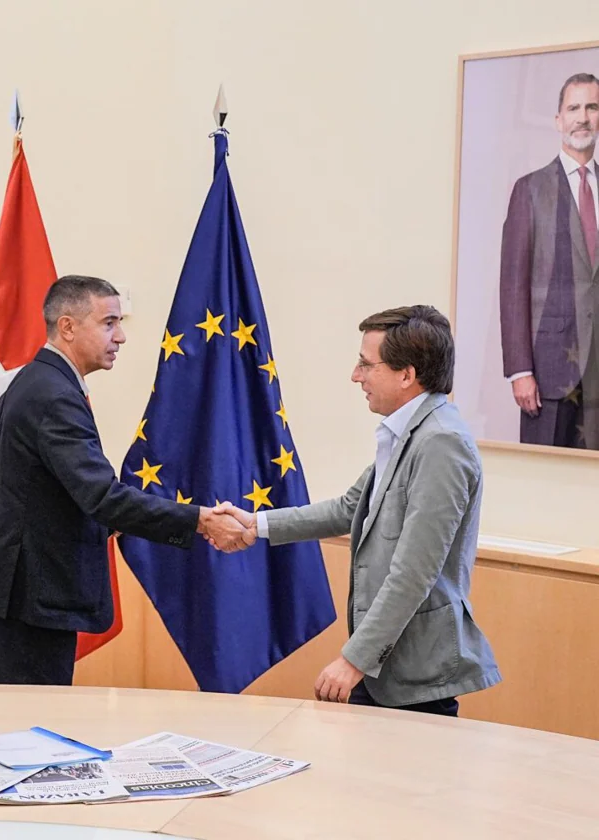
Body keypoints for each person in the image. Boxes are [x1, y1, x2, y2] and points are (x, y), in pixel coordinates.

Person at [0, 275, 244, 686]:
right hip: (31, 593)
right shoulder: (54, 395)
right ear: (69, 327)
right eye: (109, 323)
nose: (121, 336)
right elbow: (101, 497)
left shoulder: (38, 382)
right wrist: (200, 519)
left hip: (17, 587)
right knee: (28, 727)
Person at [214, 306, 500, 716]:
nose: (355, 376)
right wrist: (255, 525)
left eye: (366, 365)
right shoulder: (409, 433)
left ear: (407, 374)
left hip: (414, 674)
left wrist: (354, 660)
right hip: (385, 667)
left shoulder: (441, 443)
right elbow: (351, 508)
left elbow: (414, 572)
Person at [499, 72, 599, 449]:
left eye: (592, 107)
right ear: (559, 119)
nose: (583, 117)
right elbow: (513, 286)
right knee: (545, 485)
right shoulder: (530, 189)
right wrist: (520, 371)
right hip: (548, 374)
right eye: (573, 108)